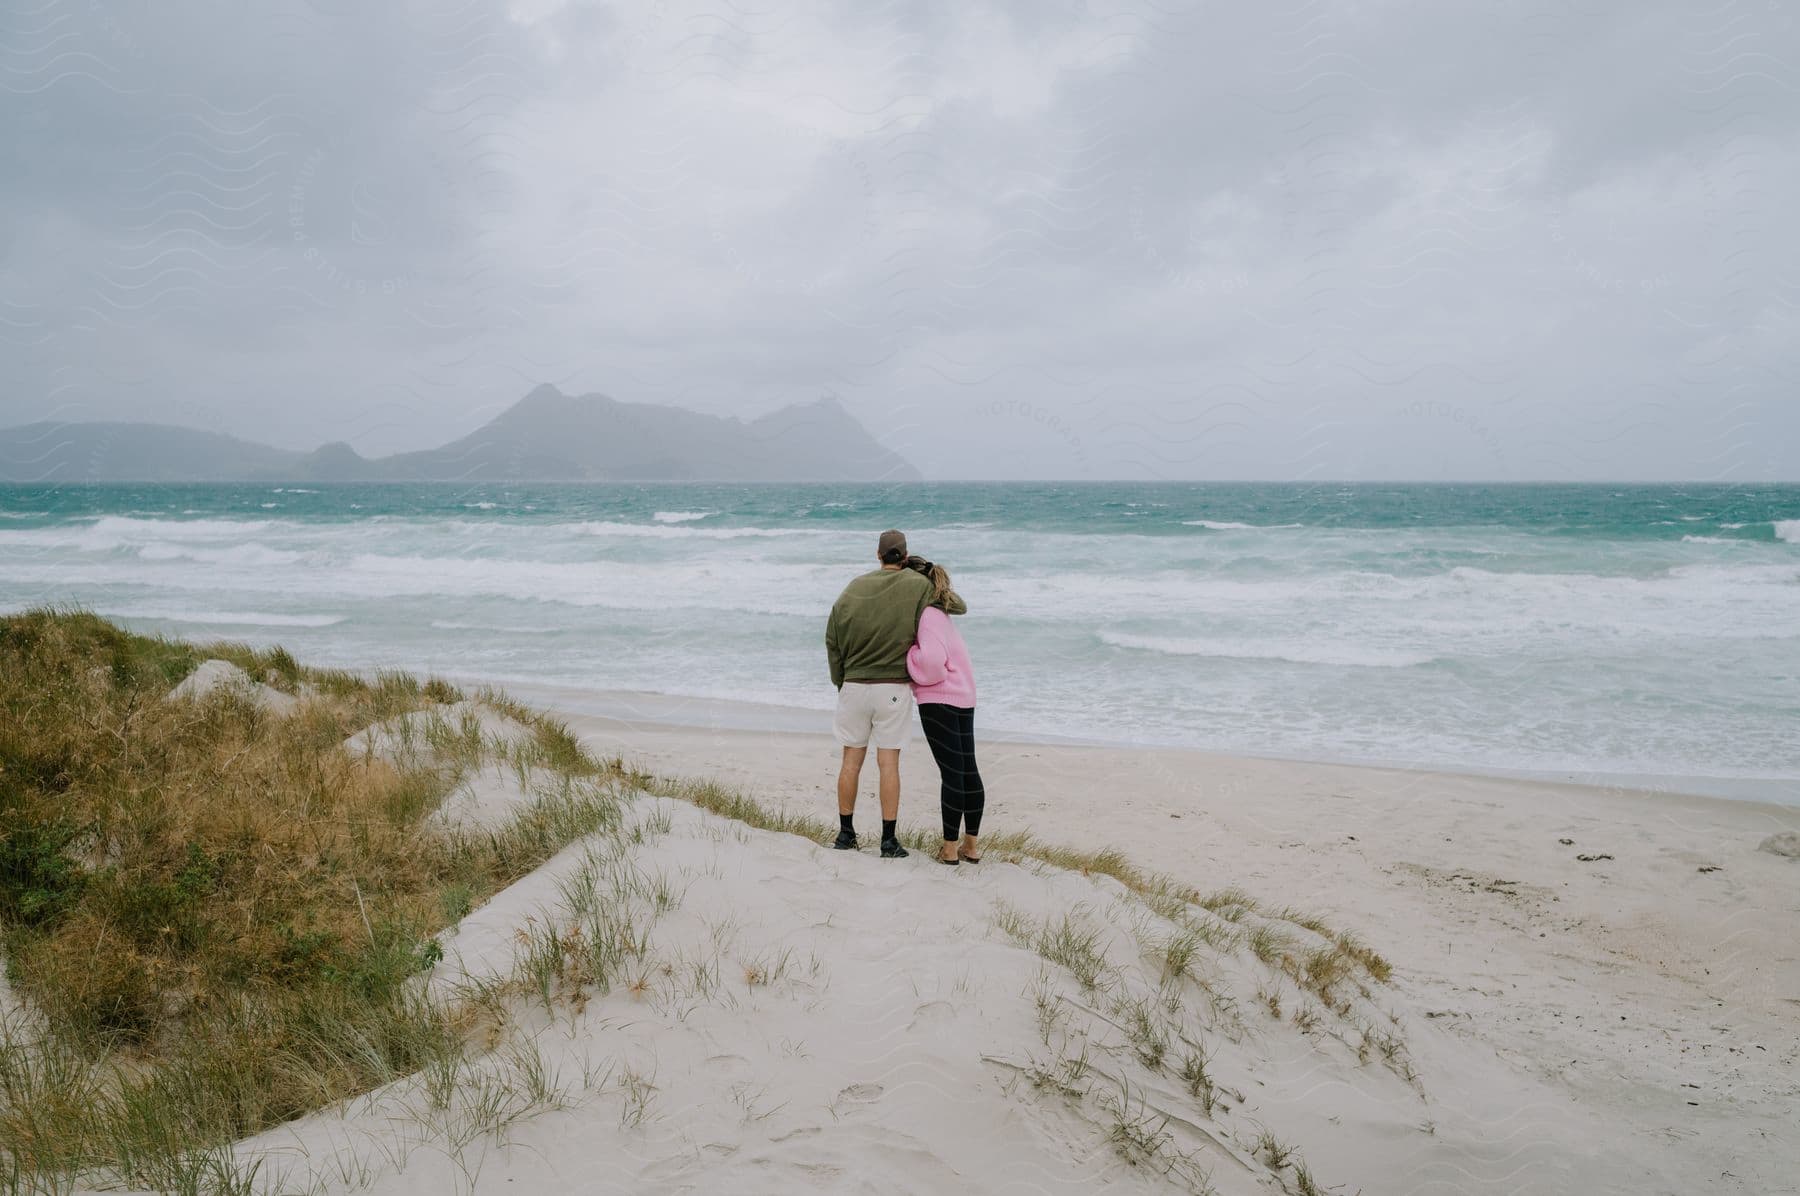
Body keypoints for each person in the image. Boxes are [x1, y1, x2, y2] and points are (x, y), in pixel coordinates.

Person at [824, 529, 933, 859]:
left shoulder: (854, 588)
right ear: (905, 555)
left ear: (877, 554)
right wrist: (924, 569)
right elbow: (956, 605)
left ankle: (846, 835)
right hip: (893, 689)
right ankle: (888, 841)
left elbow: (832, 638)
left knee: (850, 762)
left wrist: (841, 680)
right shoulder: (919, 586)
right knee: (889, 764)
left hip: (854, 687)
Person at [904, 557, 984, 865]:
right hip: (963, 696)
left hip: (940, 699)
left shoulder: (926, 616)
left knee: (951, 773)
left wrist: (910, 655)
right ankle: (971, 846)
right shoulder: (942, 613)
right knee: (967, 771)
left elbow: (933, 664)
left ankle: (949, 849)